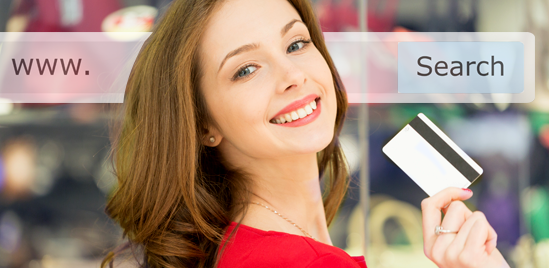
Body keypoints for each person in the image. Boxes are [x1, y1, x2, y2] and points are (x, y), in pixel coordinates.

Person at [102, 0, 511, 267]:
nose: (293, 76)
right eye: (246, 70)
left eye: (296, 44)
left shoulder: (248, 249)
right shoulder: (300, 261)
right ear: (203, 124)